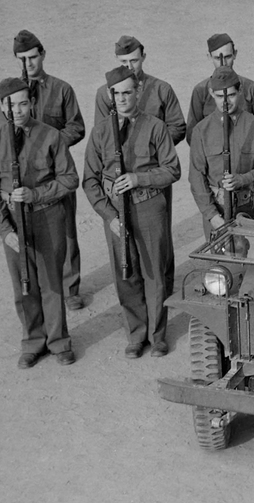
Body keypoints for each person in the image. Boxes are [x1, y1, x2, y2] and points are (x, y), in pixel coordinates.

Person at [83, 66, 181, 358]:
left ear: (138, 91)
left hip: (149, 207)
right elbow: (90, 180)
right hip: (116, 212)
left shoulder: (155, 127)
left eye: (128, 92)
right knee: (125, 273)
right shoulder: (101, 132)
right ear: (109, 95)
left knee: (154, 273)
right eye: (117, 94)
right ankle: (136, 334)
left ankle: (157, 335)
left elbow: (172, 169)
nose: (123, 99)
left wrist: (140, 178)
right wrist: (109, 217)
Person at [0, 77, 79, 368]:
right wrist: (5, 231)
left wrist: (36, 194)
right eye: (12, 105)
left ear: (32, 103)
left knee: (51, 283)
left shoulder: (51, 136)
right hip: (14, 222)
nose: (18, 110)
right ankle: (33, 342)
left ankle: (59, 341)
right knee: (23, 285)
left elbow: (70, 179)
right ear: (2, 106)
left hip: (48, 217)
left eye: (24, 103)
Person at [94, 35, 185, 295]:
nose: (130, 66)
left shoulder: (161, 89)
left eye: (134, 60)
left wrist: (154, 147)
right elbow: (103, 133)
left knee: (159, 238)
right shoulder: (105, 93)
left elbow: (178, 126)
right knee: (125, 240)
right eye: (124, 61)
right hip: (120, 175)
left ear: (143, 57)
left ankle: (163, 288)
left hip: (155, 173)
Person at [2, 30, 85, 311]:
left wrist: (51, 143)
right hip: (25, 177)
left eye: (32, 57)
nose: (28, 64)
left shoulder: (62, 89)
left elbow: (77, 126)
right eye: (22, 59)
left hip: (58, 172)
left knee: (66, 232)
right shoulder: (11, 95)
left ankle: (70, 288)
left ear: (43, 55)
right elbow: (3, 134)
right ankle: (39, 287)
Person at [189, 65, 254, 241]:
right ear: (211, 93)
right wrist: (213, 217)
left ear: (240, 90)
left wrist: (242, 179)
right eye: (220, 96)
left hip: (249, 209)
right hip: (217, 212)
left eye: (231, 95)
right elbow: (196, 178)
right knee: (220, 259)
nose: (225, 102)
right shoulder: (201, 131)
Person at [186, 33, 254, 145]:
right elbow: (192, 134)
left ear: (235, 54)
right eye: (217, 58)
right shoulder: (200, 90)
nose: (223, 63)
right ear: (209, 57)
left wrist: (245, 140)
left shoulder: (249, 87)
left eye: (227, 57)